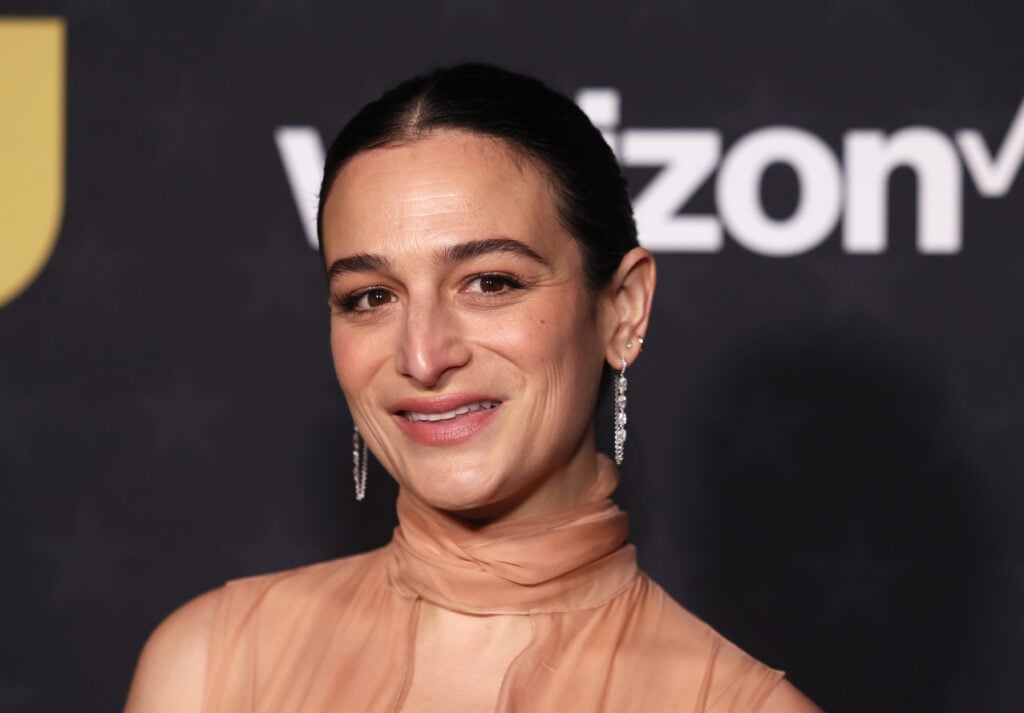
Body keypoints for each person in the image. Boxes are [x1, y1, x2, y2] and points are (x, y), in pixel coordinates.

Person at [124, 63, 821, 713]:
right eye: (370, 296)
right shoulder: (209, 666)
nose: (423, 357)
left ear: (623, 307)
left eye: (491, 282)